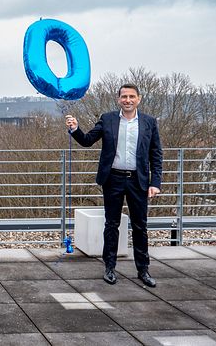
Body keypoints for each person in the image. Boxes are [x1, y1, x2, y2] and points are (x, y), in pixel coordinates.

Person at [65, 83, 162, 287]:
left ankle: (143, 270)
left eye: (132, 96)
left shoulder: (149, 122)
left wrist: (155, 183)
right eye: (124, 96)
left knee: (140, 227)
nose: (128, 100)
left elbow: (156, 154)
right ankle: (109, 268)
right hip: (113, 179)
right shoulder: (107, 119)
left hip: (139, 181)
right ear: (118, 99)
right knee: (111, 225)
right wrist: (75, 129)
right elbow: (87, 140)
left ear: (139, 99)